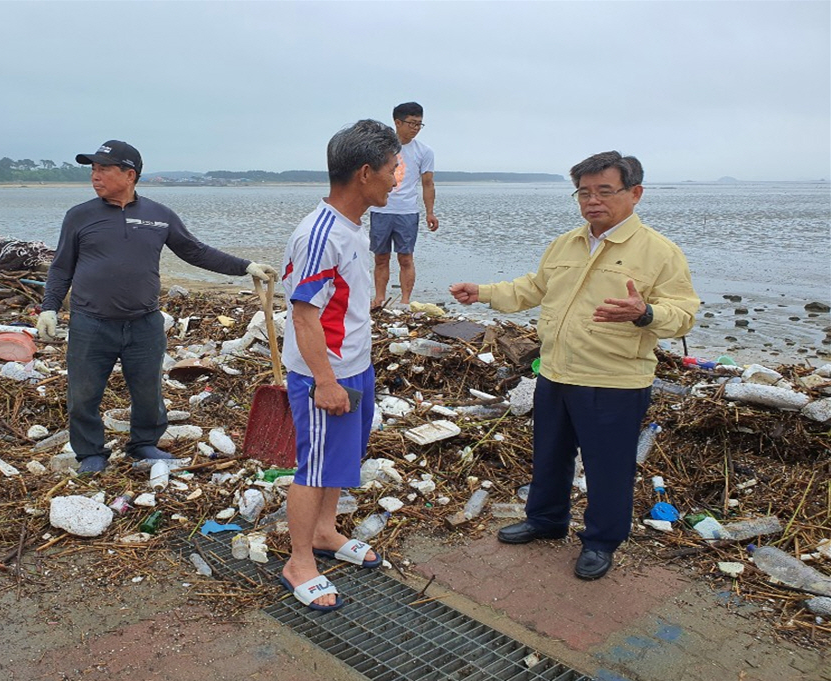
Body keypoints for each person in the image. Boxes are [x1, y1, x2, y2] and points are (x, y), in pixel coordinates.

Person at [449, 151, 699, 580]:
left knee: (609, 467)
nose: (592, 200)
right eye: (584, 192)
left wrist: (645, 314)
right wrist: (483, 292)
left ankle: (601, 541)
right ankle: (546, 520)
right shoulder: (567, 243)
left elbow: (685, 313)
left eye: (605, 190)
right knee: (549, 456)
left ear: (635, 193)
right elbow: (533, 288)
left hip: (614, 379)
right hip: (556, 372)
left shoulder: (659, 252)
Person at [37, 139, 277, 474]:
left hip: (144, 323)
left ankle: (144, 444)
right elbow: (62, 267)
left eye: (104, 169)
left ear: (130, 174)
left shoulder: (159, 216)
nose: (95, 176)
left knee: (148, 389)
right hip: (91, 323)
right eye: (93, 169)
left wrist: (245, 266)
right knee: (84, 393)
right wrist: (49, 307)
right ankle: (90, 453)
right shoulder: (79, 216)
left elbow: (195, 251)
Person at [278, 119, 401, 611]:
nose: (398, 179)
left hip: (354, 365)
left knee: (337, 460)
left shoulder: (351, 226)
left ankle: (326, 533)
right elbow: (303, 315)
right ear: (365, 173)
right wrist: (325, 382)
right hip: (322, 373)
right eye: (392, 170)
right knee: (313, 466)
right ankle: (299, 560)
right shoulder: (321, 233)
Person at [369, 102, 438, 310]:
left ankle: (405, 301)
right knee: (381, 257)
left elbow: (428, 183)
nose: (416, 128)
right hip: (380, 210)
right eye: (412, 123)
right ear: (397, 122)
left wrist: (430, 213)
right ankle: (379, 298)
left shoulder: (424, 151)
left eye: (419, 124)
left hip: (407, 211)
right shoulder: (381, 149)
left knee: (405, 257)